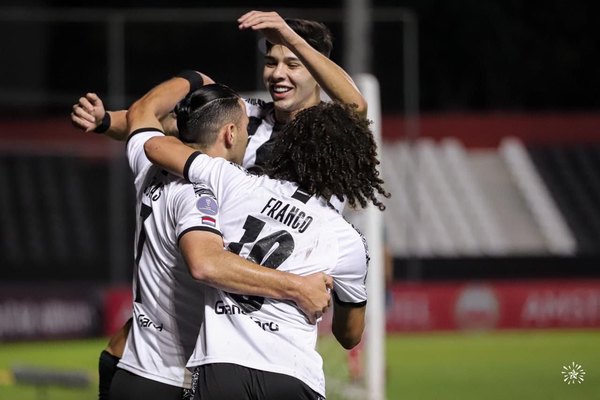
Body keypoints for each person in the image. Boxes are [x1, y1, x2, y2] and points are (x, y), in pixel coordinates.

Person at [70, 10, 367, 398]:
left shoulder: (332, 144)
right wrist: (108, 120)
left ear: (315, 66)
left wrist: (287, 34)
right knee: (136, 341)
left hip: (269, 305)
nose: (278, 73)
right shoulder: (246, 117)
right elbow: (169, 125)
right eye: (271, 62)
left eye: (293, 62)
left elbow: (355, 108)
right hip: (221, 283)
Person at [133, 73, 388, 399]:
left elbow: (154, 145)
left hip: (222, 368)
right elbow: (350, 336)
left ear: (287, 147)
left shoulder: (236, 182)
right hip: (294, 376)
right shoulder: (349, 241)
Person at [90, 73, 333, 400]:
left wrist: (194, 78)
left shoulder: (146, 163)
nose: (250, 136)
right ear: (230, 133)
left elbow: (143, 110)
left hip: (130, 364)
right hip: (173, 375)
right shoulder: (201, 193)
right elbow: (205, 264)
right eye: (247, 127)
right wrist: (298, 287)